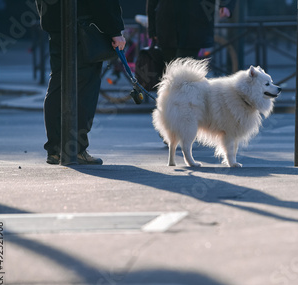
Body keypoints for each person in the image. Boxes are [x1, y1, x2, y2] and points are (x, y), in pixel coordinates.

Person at [35, 0, 126, 165]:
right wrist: (114, 30)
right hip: (83, 25)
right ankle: (75, 149)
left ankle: (55, 149)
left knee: (58, 83)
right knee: (85, 88)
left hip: (56, 23)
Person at [146, 0, 237, 63]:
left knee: (180, 72)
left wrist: (226, 5)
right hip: (167, 25)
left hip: (193, 24)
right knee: (171, 72)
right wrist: (152, 29)